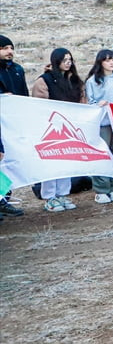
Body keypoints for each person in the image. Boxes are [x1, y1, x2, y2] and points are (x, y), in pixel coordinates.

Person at [30, 48, 85, 211]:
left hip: (70, 126)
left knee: (67, 161)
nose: (68, 63)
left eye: (70, 60)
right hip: (52, 126)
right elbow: (40, 104)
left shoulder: (74, 80)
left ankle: (63, 194)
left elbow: (82, 100)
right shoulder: (44, 80)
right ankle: (49, 196)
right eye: (64, 60)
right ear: (56, 61)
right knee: (52, 162)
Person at [84, 49, 113, 204]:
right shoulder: (93, 81)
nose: (111, 63)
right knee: (103, 154)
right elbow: (89, 103)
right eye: (107, 60)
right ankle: (101, 189)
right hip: (102, 124)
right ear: (100, 62)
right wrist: (98, 105)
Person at [0, 34, 28, 218]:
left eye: (11, 48)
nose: (9, 51)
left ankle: (5, 199)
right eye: (4, 48)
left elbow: (24, 93)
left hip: (14, 122)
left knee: (9, 160)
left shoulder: (17, 69)